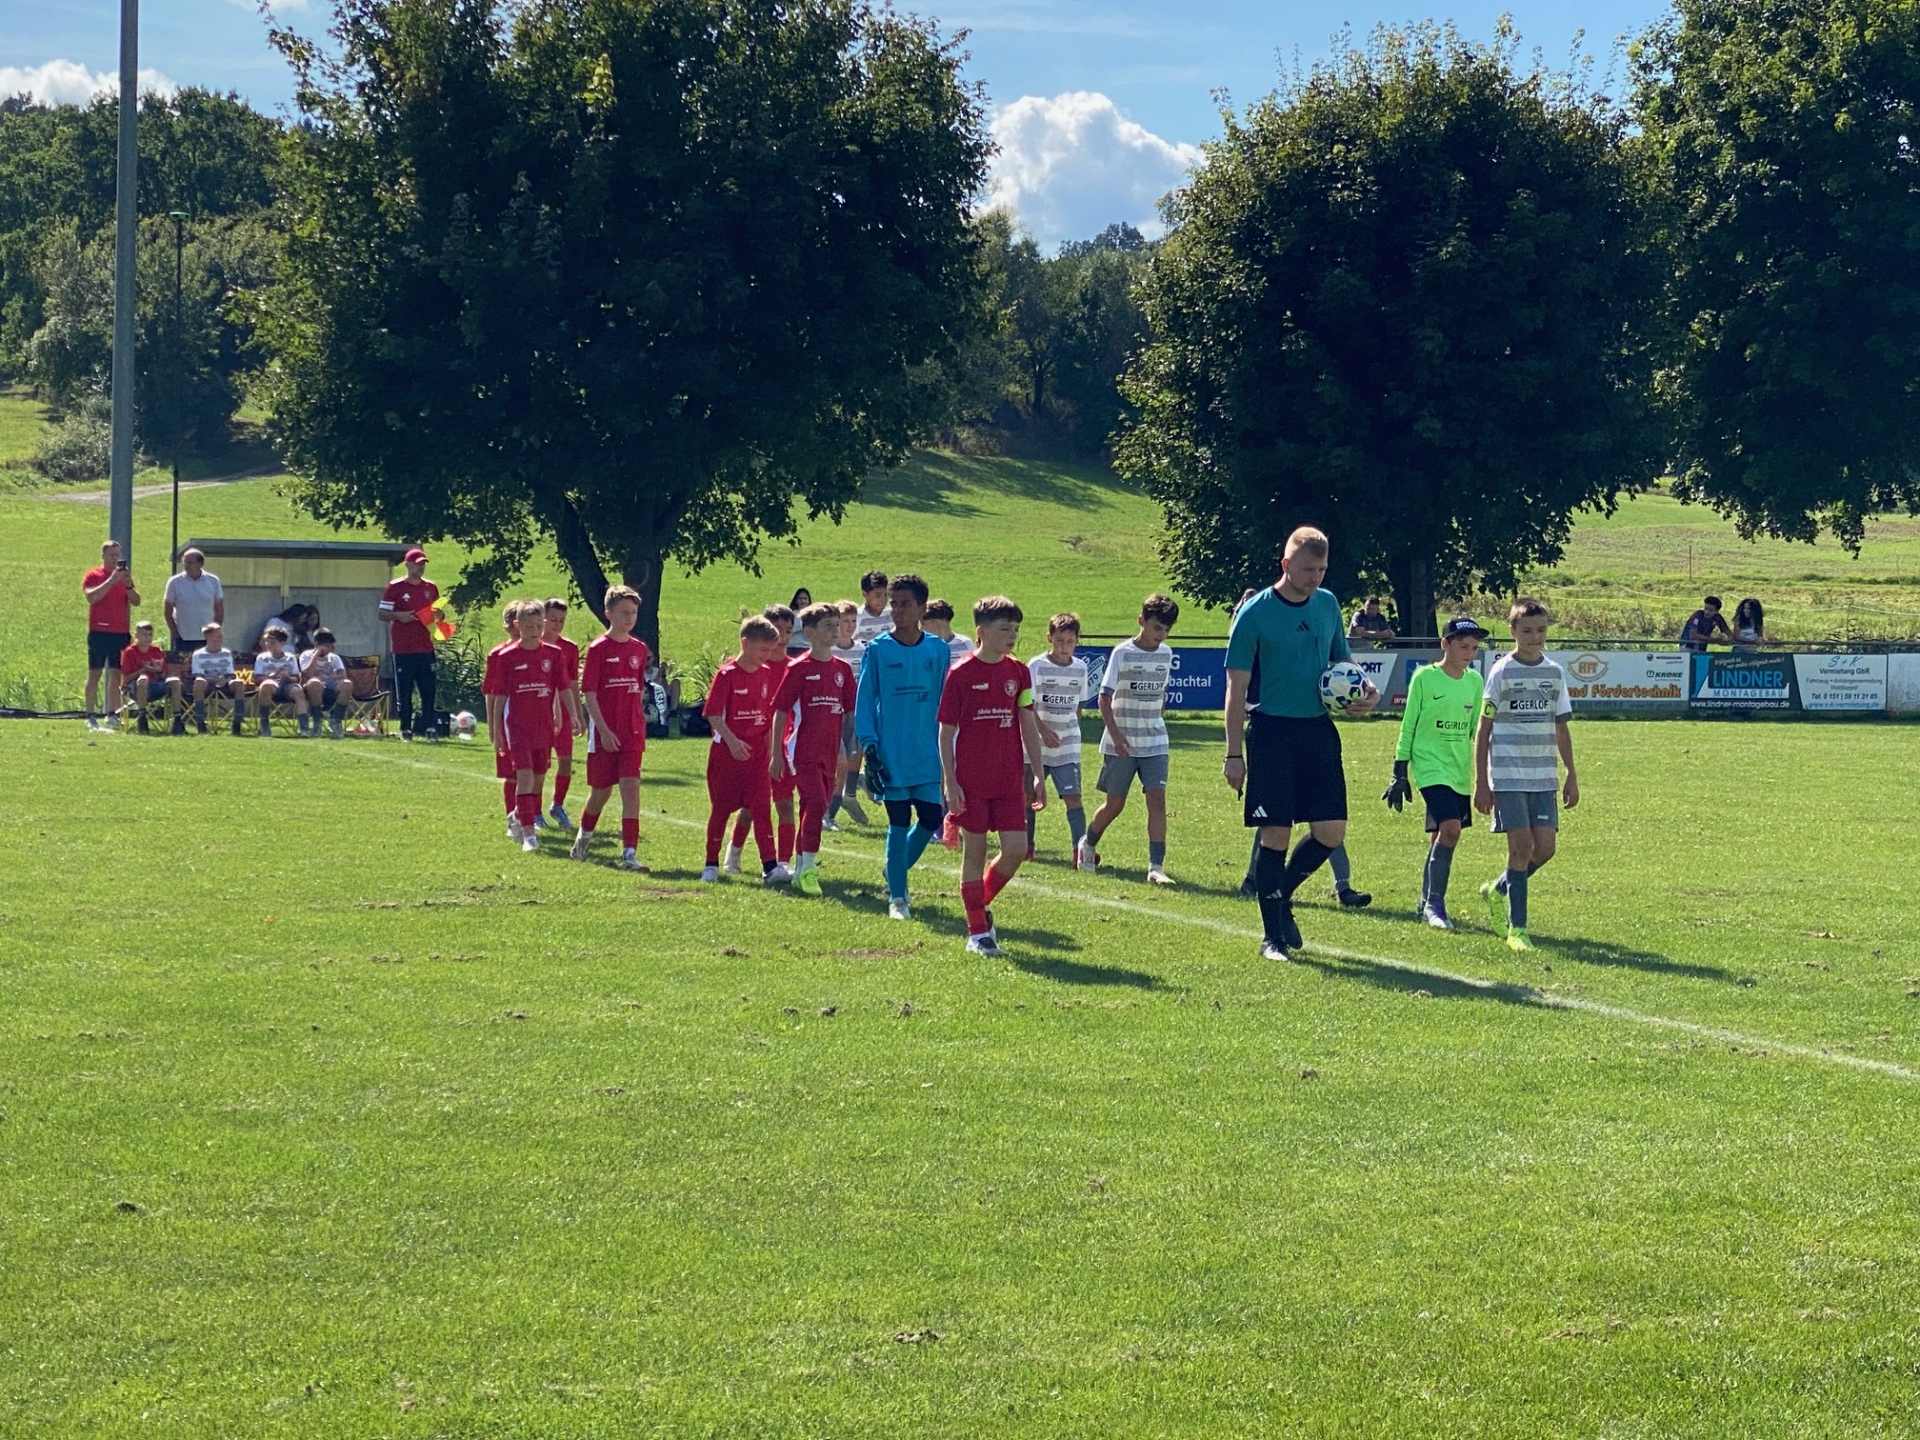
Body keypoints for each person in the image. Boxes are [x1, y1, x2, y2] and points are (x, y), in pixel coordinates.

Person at [1224, 527, 1379, 962]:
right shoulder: (1254, 613)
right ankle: (1272, 938)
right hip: (1271, 732)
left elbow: (1342, 659)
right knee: (1275, 834)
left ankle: (1283, 897)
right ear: (1286, 565)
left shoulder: (1327, 604)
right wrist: (1233, 754)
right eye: (1308, 569)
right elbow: (1235, 689)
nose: (1316, 577)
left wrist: (1364, 689)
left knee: (1330, 832)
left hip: (1318, 731)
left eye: (1322, 569)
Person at [939, 596, 1047, 956]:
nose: (1012, 635)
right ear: (982, 632)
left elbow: (1027, 723)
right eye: (1005, 629)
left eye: (1015, 629)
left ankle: (977, 907)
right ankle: (978, 935)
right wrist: (950, 781)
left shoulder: (1019, 672)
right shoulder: (960, 674)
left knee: (1016, 850)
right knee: (976, 850)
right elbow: (945, 733)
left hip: (1008, 779)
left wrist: (1038, 774)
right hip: (971, 781)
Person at [1475, 598, 1579, 952]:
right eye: (1528, 631)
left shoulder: (1554, 673)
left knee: (1545, 850)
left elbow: (1561, 727)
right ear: (1513, 631)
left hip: (1543, 776)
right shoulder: (1501, 671)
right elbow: (1484, 728)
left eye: (1541, 630)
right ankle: (1517, 930)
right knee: (1521, 848)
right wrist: (1482, 782)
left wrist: (1571, 774)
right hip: (1508, 775)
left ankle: (1497, 889)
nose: (1535, 637)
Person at [854, 573, 951, 920]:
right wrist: (870, 746)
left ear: (922, 607)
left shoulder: (938, 650)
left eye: (905, 604)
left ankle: (893, 869)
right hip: (891, 753)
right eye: (894, 604)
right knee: (898, 819)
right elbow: (865, 701)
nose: (897, 610)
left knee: (931, 817)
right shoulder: (878, 649)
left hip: (927, 753)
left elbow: (945, 704)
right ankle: (897, 898)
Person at [1384, 617, 1488, 929]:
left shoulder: (1475, 682)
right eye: (1463, 646)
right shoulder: (1424, 678)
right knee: (1451, 829)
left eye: (1474, 648)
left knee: (1440, 835)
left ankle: (1424, 901)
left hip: (1458, 769)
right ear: (1445, 644)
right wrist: (1399, 770)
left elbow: (1474, 731)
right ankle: (1436, 906)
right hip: (1429, 766)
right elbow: (1409, 725)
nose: (1469, 653)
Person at [1077, 594, 1180, 885]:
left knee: (1157, 800)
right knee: (1115, 804)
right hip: (1121, 742)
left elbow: (1161, 695)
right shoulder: (1122, 653)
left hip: (1155, 742)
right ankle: (1088, 843)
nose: (1161, 635)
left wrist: (1155, 720)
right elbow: (1104, 698)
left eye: (1166, 630)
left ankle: (1156, 867)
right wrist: (1116, 734)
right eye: (1157, 627)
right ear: (1141, 621)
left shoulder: (1166, 654)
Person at [770, 603, 856, 896]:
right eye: (828, 625)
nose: (835, 630)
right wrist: (776, 754)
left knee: (811, 807)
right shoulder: (799, 669)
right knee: (818, 804)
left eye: (836, 624)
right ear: (809, 633)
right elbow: (780, 711)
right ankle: (808, 869)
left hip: (829, 753)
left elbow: (848, 714)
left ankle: (799, 868)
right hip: (802, 751)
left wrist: (848, 747)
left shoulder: (842, 670)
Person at [487, 600, 581, 853]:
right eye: (529, 626)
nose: (535, 631)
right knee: (525, 776)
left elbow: (563, 688)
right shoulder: (506, 657)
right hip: (518, 727)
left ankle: (518, 813)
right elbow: (499, 696)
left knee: (538, 779)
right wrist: (497, 730)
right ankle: (529, 836)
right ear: (518, 625)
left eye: (539, 626)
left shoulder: (554, 654)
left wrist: (573, 714)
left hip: (543, 726)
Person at [571, 585, 653, 871]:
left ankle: (629, 853)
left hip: (632, 731)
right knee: (601, 792)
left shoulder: (639, 649)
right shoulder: (599, 649)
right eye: (624, 612)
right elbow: (589, 692)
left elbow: (637, 688)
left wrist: (637, 717)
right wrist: (604, 730)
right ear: (609, 614)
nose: (629, 618)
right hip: (605, 732)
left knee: (631, 787)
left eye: (633, 612)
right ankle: (583, 838)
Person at [701, 615, 785, 883]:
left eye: (770, 651)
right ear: (745, 643)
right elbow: (713, 714)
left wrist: (772, 752)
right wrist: (732, 741)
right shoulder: (727, 675)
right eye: (763, 650)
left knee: (761, 808)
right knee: (721, 809)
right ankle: (711, 864)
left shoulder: (766, 673)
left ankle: (770, 866)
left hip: (757, 754)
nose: (767, 656)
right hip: (728, 754)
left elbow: (768, 716)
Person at [728, 604, 800, 874]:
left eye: (788, 631)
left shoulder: (795, 668)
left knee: (785, 804)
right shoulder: (754, 666)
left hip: (784, 748)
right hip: (756, 748)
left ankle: (783, 863)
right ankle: (733, 853)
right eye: (777, 630)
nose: (783, 637)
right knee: (751, 807)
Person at [1026, 612, 1088, 858]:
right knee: (1028, 796)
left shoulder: (1080, 668)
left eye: (1070, 641)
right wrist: (1043, 731)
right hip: (1036, 745)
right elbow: (1027, 706)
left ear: (1077, 641)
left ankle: (1079, 851)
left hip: (1066, 746)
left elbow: (1079, 706)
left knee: (1073, 796)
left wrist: (1071, 731)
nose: (1064, 647)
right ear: (1049, 638)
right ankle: (1027, 847)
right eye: (1059, 640)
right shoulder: (1037, 666)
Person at [378, 546, 441, 740]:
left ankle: (429, 727)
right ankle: (406, 728)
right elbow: (382, 614)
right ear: (407, 565)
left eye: (423, 564)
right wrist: (399, 616)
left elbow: (438, 613)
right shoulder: (395, 587)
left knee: (428, 690)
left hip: (426, 647)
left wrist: (438, 615)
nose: (420, 568)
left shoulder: (430, 587)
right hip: (403, 648)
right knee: (405, 691)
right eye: (417, 564)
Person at [83, 539, 140, 728]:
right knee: (95, 673)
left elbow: (136, 601)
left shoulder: (124, 577)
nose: (115, 558)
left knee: (116, 673)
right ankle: (90, 715)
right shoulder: (94, 575)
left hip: (120, 632)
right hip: (99, 631)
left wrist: (129, 585)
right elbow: (91, 597)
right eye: (111, 555)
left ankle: (111, 713)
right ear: (103, 556)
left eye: (117, 555)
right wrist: (111, 581)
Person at [825, 600, 871, 828]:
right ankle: (827, 811)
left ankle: (848, 796)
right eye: (845, 621)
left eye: (854, 621)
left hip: (856, 713)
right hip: (833, 714)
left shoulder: (863, 649)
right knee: (837, 764)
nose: (850, 626)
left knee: (854, 756)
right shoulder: (829, 650)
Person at [483, 604, 526, 829]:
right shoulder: (499, 655)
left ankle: (530, 816)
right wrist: (493, 726)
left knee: (533, 773)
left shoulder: (541, 652)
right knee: (512, 773)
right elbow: (491, 693)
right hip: (508, 723)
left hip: (534, 721)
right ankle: (513, 819)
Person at [541, 599, 583, 829]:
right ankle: (534, 810)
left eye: (562, 621)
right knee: (541, 764)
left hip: (564, 712)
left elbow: (572, 683)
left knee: (565, 761)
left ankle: (557, 804)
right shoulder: (533, 646)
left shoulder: (569, 648)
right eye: (553, 620)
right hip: (540, 711)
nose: (557, 625)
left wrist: (578, 713)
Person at [250, 624, 310, 737]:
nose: (268, 645)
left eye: (272, 642)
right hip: (270, 686)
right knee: (266, 685)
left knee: (298, 691)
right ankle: (264, 725)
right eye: (267, 642)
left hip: (287, 685)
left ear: (282, 643)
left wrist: (288, 678)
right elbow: (257, 679)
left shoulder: (290, 658)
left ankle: (304, 728)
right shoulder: (262, 658)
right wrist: (272, 676)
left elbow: (296, 678)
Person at [120, 621, 179, 734]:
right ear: (136, 635)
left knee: (175, 681)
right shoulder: (129, 652)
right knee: (143, 679)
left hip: (155, 685)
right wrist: (142, 671)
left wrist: (159, 670)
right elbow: (125, 680)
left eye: (150, 635)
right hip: (135, 688)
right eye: (144, 635)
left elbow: (164, 676)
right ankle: (142, 719)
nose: (147, 638)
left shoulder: (156, 651)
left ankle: (177, 721)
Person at [162, 548, 222, 660]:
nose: (186, 565)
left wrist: (215, 633)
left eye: (189, 562)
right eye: (184, 562)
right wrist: (175, 634)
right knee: (183, 668)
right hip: (183, 638)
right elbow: (167, 611)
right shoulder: (175, 582)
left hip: (207, 638)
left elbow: (219, 609)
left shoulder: (213, 581)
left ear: (200, 564)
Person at [188, 622, 246, 736]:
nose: (221, 638)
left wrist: (225, 680)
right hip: (207, 683)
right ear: (208, 637)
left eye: (220, 635)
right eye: (217, 635)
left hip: (224, 683)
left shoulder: (226, 653)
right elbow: (197, 674)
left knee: (239, 683)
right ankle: (200, 722)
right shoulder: (198, 654)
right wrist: (212, 680)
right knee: (199, 682)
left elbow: (230, 673)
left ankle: (237, 723)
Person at [298, 627, 353, 738]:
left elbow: (342, 675)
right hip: (311, 688)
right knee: (315, 682)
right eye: (326, 646)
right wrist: (315, 656)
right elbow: (307, 674)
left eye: (330, 646)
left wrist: (329, 677)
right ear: (317, 644)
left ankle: (335, 720)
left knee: (347, 684)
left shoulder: (334, 658)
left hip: (331, 685)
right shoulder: (306, 655)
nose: (329, 649)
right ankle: (317, 722)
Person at [923, 599, 976, 668]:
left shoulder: (965, 644)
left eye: (923, 624)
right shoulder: (922, 646)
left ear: (937, 623)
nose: (921, 629)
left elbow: (973, 668)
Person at [853, 570, 893, 645]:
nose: (883, 599)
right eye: (877, 595)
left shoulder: (892, 616)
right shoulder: (857, 618)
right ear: (865, 594)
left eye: (886, 594)